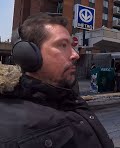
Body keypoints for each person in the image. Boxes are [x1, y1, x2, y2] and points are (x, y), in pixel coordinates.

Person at [0, 13, 114, 148]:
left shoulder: (71, 99)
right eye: (63, 45)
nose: (75, 55)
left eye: (72, 46)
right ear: (28, 55)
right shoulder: (8, 127)